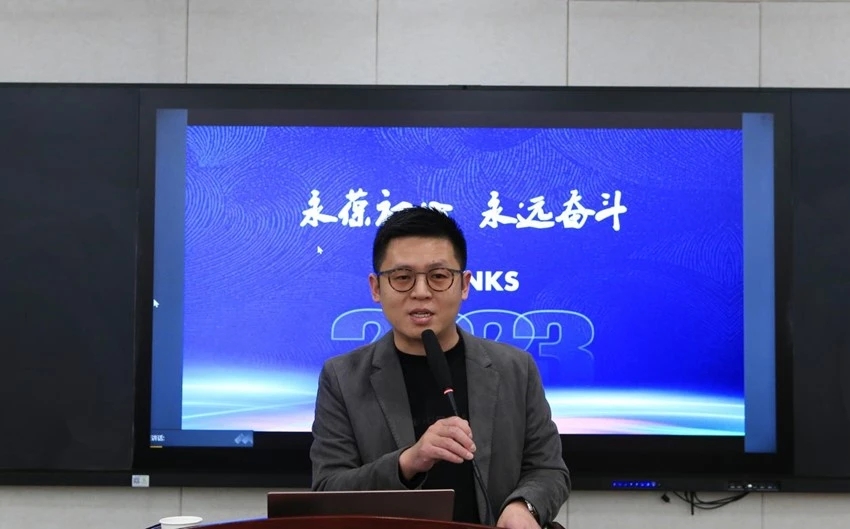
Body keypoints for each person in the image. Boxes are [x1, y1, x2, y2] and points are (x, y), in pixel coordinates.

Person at [310, 206, 570, 528]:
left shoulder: (515, 368)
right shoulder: (343, 378)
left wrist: (524, 506)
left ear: (464, 285)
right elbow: (328, 491)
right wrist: (409, 461)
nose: (421, 292)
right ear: (376, 288)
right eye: (402, 278)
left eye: (438, 276)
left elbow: (548, 470)